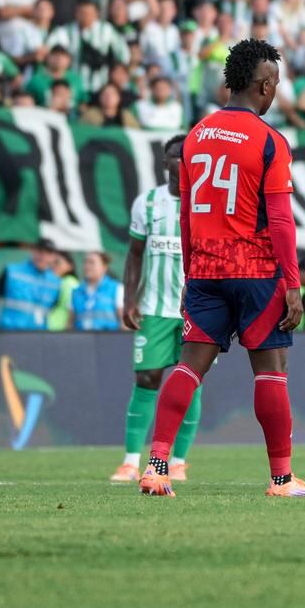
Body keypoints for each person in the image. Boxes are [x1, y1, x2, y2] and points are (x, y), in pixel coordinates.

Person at [139, 39, 305, 499]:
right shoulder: (269, 140)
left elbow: (186, 214)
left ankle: (157, 466)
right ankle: (282, 480)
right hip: (256, 271)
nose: (275, 92)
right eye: (275, 84)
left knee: (189, 367)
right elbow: (280, 220)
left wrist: (190, 273)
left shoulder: (197, 135)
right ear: (264, 85)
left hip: (206, 270)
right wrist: (292, 283)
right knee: (271, 369)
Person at [113, 136, 203, 484]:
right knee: (147, 377)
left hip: (195, 309)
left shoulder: (204, 202)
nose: (182, 162)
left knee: (190, 381)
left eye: (188, 156)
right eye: (176, 157)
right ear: (166, 162)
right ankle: (129, 462)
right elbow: (135, 254)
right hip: (153, 308)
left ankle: (178, 461)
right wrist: (129, 299)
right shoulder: (148, 203)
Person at [0, 241, 61, 330]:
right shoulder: (12, 271)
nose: (43, 256)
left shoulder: (56, 282)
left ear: (54, 257)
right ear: (33, 251)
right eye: (40, 251)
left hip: (39, 334)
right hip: (9, 331)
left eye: (48, 253)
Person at [70, 251, 124, 330]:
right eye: (85, 262)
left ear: (104, 267)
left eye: (92, 262)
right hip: (81, 337)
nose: (87, 266)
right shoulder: (76, 291)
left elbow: (123, 322)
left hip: (108, 336)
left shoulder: (116, 288)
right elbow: (70, 323)